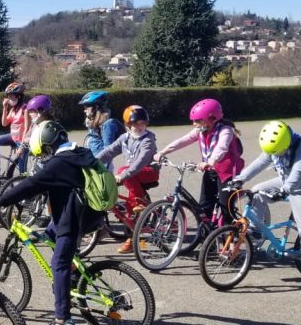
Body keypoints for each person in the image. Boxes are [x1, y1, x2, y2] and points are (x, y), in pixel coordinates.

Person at [0, 121, 104, 325]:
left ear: (49, 145)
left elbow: (33, 183)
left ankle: (63, 320)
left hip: (73, 220)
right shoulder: (78, 152)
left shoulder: (59, 163)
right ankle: (73, 277)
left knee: (58, 264)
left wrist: (2, 200)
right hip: (89, 214)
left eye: (44, 151)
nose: (43, 156)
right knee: (49, 235)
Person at [229, 120, 301, 295]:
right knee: (257, 191)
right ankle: (256, 230)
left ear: (286, 142)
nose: (275, 154)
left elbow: (298, 171)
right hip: (285, 181)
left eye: (279, 152)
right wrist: (240, 178)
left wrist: (283, 191)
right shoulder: (274, 144)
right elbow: (261, 161)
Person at [154, 98, 243, 224]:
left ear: (211, 119)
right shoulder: (200, 131)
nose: (194, 124)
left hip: (227, 172)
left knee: (225, 207)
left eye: (197, 121)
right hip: (210, 169)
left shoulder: (225, 130)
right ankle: (207, 239)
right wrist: (162, 152)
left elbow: (222, 147)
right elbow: (182, 141)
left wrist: (211, 161)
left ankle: (230, 236)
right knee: (204, 206)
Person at [95, 105, 160, 254]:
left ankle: (140, 202)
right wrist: (91, 162)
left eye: (143, 123)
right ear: (128, 125)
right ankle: (134, 239)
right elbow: (109, 151)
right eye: (136, 124)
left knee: (123, 171)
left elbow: (141, 161)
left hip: (148, 172)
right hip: (133, 176)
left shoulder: (148, 139)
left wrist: (123, 175)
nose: (140, 126)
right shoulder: (125, 138)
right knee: (129, 213)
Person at [79, 90, 124, 160]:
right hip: (91, 160)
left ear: (96, 107)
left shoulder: (107, 124)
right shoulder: (94, 122)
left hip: (100, 164)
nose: (84, 110)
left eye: (86, 107)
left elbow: (108, 150)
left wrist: (97, 162)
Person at [0, 82, 30, 174]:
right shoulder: (13, 110)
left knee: (22, 170)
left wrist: (22, 147)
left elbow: (27, 129)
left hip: (22, 141)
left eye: (11, 96)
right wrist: (5, 107)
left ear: (18, 96)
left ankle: (26, 183)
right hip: (13, 137)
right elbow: (4, 123)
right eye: (8, 96)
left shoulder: (25, 109)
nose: (9, 99)